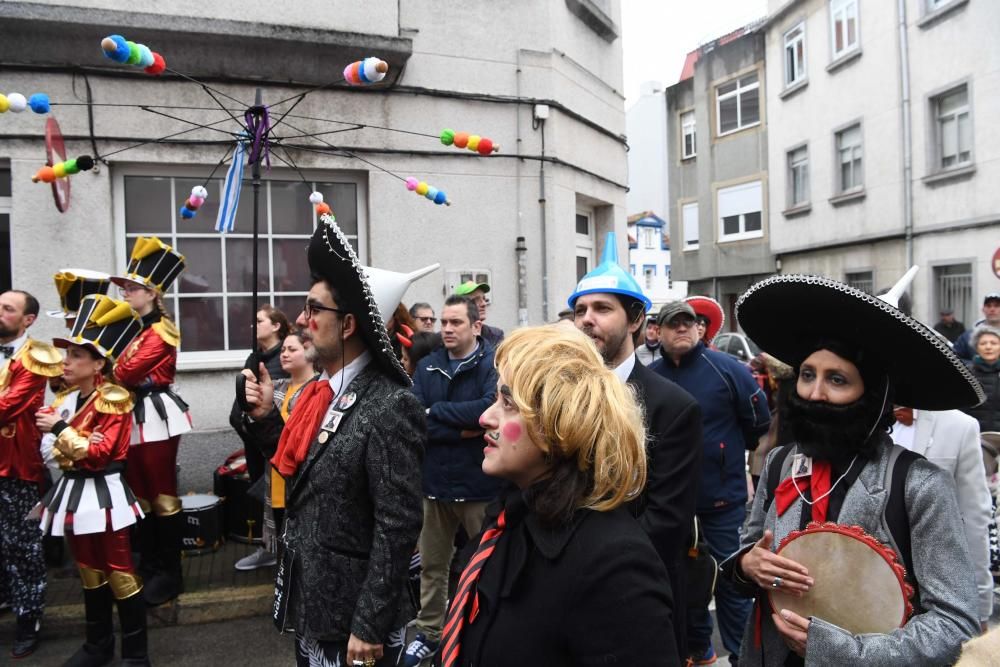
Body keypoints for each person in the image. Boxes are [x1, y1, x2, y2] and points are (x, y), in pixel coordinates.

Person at [722, 271, 982, 666]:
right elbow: (751, 544)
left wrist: (844, 653)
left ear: (872, 396)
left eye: (837, 380)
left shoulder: (919, 485)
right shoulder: (780, 464)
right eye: (808, 375)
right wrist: (746, 565)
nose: (814, 393)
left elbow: (953, 624)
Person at [242, 217, 426, 667]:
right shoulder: (320, 391)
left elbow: (397, 524)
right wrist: (267, 417)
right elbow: (303, 468)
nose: (302, 320)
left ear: (347, 324)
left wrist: (369, 622)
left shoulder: (390, 405)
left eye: (313, 309)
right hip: (316, 603)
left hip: (356, 618)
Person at [439, 325, 680, 666]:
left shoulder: (614, 562)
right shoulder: (506, 520)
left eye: (507, 403)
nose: (485, 417)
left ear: (559, 424)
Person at [568, 232, 701, 662]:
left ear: (636, 320)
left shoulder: (673, 407)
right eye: (580, 310)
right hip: (567, 590)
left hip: (636, 591)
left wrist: (595, 567)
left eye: (602, 308)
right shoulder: (561, 398)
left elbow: (666, 520)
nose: (586, 319)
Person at [650, 299, 770, 665]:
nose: (683, 329)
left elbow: (758, 420)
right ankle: (697, 649)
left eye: (689, 323)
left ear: (701, 329)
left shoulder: (727, 369)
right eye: (674, 324)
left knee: (731, 580)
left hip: (721, 500)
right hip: (669, 502)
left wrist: (725, 455)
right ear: (659, 332)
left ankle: (741, 654)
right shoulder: (650, 375)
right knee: (681, 581)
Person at [35, 294, 149, 666]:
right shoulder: (67, 400)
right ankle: (97, 646)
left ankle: (135, 655)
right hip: (73, 492)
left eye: (76, 356)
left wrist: (63, 432)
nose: (65, 363)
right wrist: (76, 442)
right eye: (66, 356)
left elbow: (99, 457)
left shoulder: (114, 399)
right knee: (88, 569)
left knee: (119, 571)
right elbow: (49, 453)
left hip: (105, 495)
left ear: (99, 363)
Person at [403, 296, 501, 666]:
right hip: (435, 485)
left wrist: (437, 413)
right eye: (443, 322)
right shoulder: (427, 366)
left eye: (455, 322)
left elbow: (485, 411)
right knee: (432, 565)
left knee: (486, 564)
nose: (446, 328)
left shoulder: (491, 364)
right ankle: (430, 632)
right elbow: (415, 420)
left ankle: (485, 627)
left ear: (475, 326)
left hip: (478, 486)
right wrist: (459, 428)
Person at [109, 236, 192, 606]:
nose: (126, 291)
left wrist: (110, 368)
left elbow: (123, 372)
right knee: (140, 492)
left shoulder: (159, 331)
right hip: (135, 412)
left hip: (155, 413)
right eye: (126, 286)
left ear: (152, 293)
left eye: (133, 287)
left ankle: (171, 574)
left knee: (160, 493)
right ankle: (152, 564)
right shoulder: (138, 329)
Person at [891, 406, 994, 627]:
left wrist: (981, 607)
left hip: (933, 598)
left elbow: (974, 518)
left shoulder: (959, 426)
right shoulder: (844, 417)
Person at [0, 290, 61, 658]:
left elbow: (8, 406)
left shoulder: (37, 358)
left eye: (8, 309)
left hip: (18, 466)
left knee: (22, 545)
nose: (0, 313)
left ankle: (29, 617)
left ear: (28, 320)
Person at [235, 329, 315, 571]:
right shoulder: (276, 386)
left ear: (309, 352)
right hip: (276, 480)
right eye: (283, 350)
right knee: (283, 554)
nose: (285, 354)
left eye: (293, 349)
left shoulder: (320, 389)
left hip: (301, 485)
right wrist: (248, 404)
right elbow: (250, 428)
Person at [229, 305, 291, 571]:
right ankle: (268, 548)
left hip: (275, 443)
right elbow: (241, 403)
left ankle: (283, 553)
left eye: (260, 321)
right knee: (263, 498)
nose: (254, 326)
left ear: (276, 325)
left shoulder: (282, 361)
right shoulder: (254, 358)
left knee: (281, 501)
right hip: (254, 440)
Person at [961, 325, 1000, 434]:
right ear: (976, 348)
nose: (988, 347)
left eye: (994, 343)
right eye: (983, 343)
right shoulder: (966, 373)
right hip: (974, 436)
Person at [454, 280, 504, 348]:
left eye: (484, 299)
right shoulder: (449, 337)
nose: (484, 304)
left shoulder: (495, 335)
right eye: (476, 300)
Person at [954, 292, 1000, 361]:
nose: (992, 309)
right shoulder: (968, 336)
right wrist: (974, 367)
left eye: (997, 306)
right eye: (988, 306)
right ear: (983, 310)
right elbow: (955, 359)